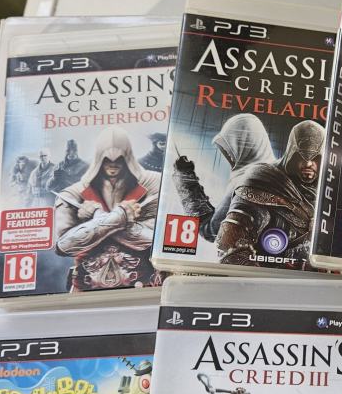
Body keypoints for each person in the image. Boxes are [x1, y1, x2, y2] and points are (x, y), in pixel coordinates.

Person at [54, 127, 161, 291]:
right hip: (86, 286)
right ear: (99, 158)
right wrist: (120, 216)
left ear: (127, 157)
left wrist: (97, 218)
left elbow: (157, 240)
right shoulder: (72, 194)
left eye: (119, 159)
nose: (113, 164)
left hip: (144, 285)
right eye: (106, 159)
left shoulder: (154, 184)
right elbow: (64, 246)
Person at [214, 120, 324, 265]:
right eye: (302, 157)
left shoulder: (326, 192)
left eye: (315, 158)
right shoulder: (263, 181)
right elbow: (228, 248)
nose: (308, 163)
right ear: (291, 154)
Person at [173, 114, 275, 242]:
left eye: (230, 148)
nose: (228, 155)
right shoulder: (276, 174)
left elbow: (213, 232)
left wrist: (186, 179)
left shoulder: (245, 182)